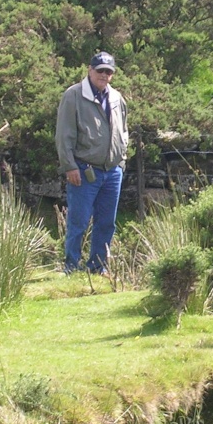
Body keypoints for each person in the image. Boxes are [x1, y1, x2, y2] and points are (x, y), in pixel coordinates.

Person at [55, 51, 129, 274]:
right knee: (78, 222)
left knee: (107, 223)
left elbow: (124, 131)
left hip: (112, 172)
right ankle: (71, 267)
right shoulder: (73, 96)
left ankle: (98, 268)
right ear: (89, 70)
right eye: (100, 71)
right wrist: (70, 166)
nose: (104, 75)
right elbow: (64, 135)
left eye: (109, 72)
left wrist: (121, 162)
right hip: (84, 170)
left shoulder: (117, 98)